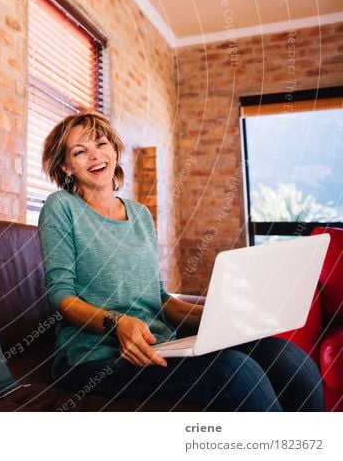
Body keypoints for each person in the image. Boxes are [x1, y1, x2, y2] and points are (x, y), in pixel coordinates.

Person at [37, 112, 324, 411]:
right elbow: (61, 297)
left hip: (157, 342)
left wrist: (218, 315)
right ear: (66, 166)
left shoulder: (140, 215)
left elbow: (158, 298)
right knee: (235, 372)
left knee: (285, 357)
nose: (95, 155)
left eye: (101, 144)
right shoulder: (61, 207)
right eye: (80, 152)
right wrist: (117, 323)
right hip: (92, 358)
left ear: (114, 150)